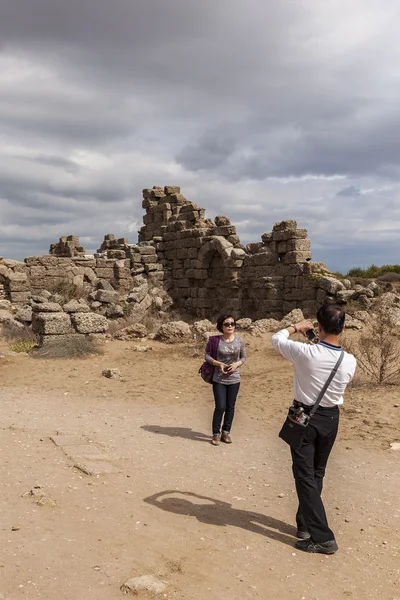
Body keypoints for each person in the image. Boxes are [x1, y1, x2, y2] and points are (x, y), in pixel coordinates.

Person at [271, 304, 356, 555]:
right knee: (317, 472)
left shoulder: (305, 352)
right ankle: (304, 526)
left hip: (304, 416)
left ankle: (323, 537)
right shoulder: (349, 360)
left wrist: (296, 327)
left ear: (318, 326)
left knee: (304, 475)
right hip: (331, 418)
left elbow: (276, 339)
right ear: (342, 328)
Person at [205, 315, 246, 446]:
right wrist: (219, 364)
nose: (230, 326)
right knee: (220, 406)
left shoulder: (239, 341)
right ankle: (216, 434)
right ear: (221, 326)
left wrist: (236, 364)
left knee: (230, 407)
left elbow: (244, 358)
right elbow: (207, 356)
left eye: (232, 324)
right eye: (227, 324)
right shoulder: (215, 341)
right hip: (219, 378)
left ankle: (226, 432)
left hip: (234, 379)